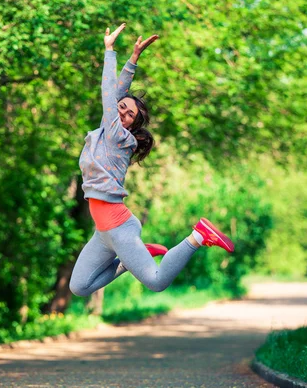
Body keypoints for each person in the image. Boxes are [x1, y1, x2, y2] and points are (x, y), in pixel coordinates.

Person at [69, 23, 234, 297]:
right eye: (121, 107)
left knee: (156, 281)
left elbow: (110, 93)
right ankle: (126, 262)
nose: (121, 111)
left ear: (132, 126)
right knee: (79, 286)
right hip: (103, 231)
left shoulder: (119, 137)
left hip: (119, 226)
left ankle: (198, 236)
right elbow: (117, 92)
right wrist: (132, 59)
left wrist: (109, 51)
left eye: (129, 113)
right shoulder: (104, 132)